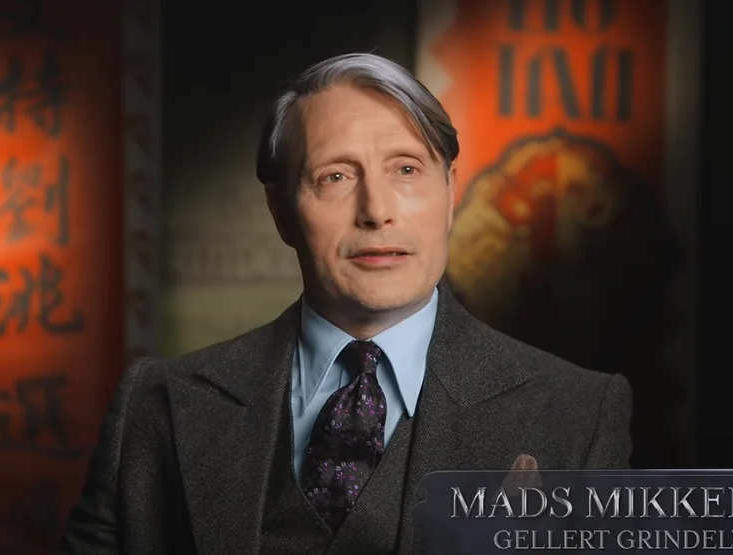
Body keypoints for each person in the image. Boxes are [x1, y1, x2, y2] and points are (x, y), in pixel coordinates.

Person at [59, 52, 632, 555]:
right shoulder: (156, 405)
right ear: (281, 212)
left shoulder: (576, 414)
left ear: (450, 192)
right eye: (334, 176)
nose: (376, 210)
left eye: (406, 169)